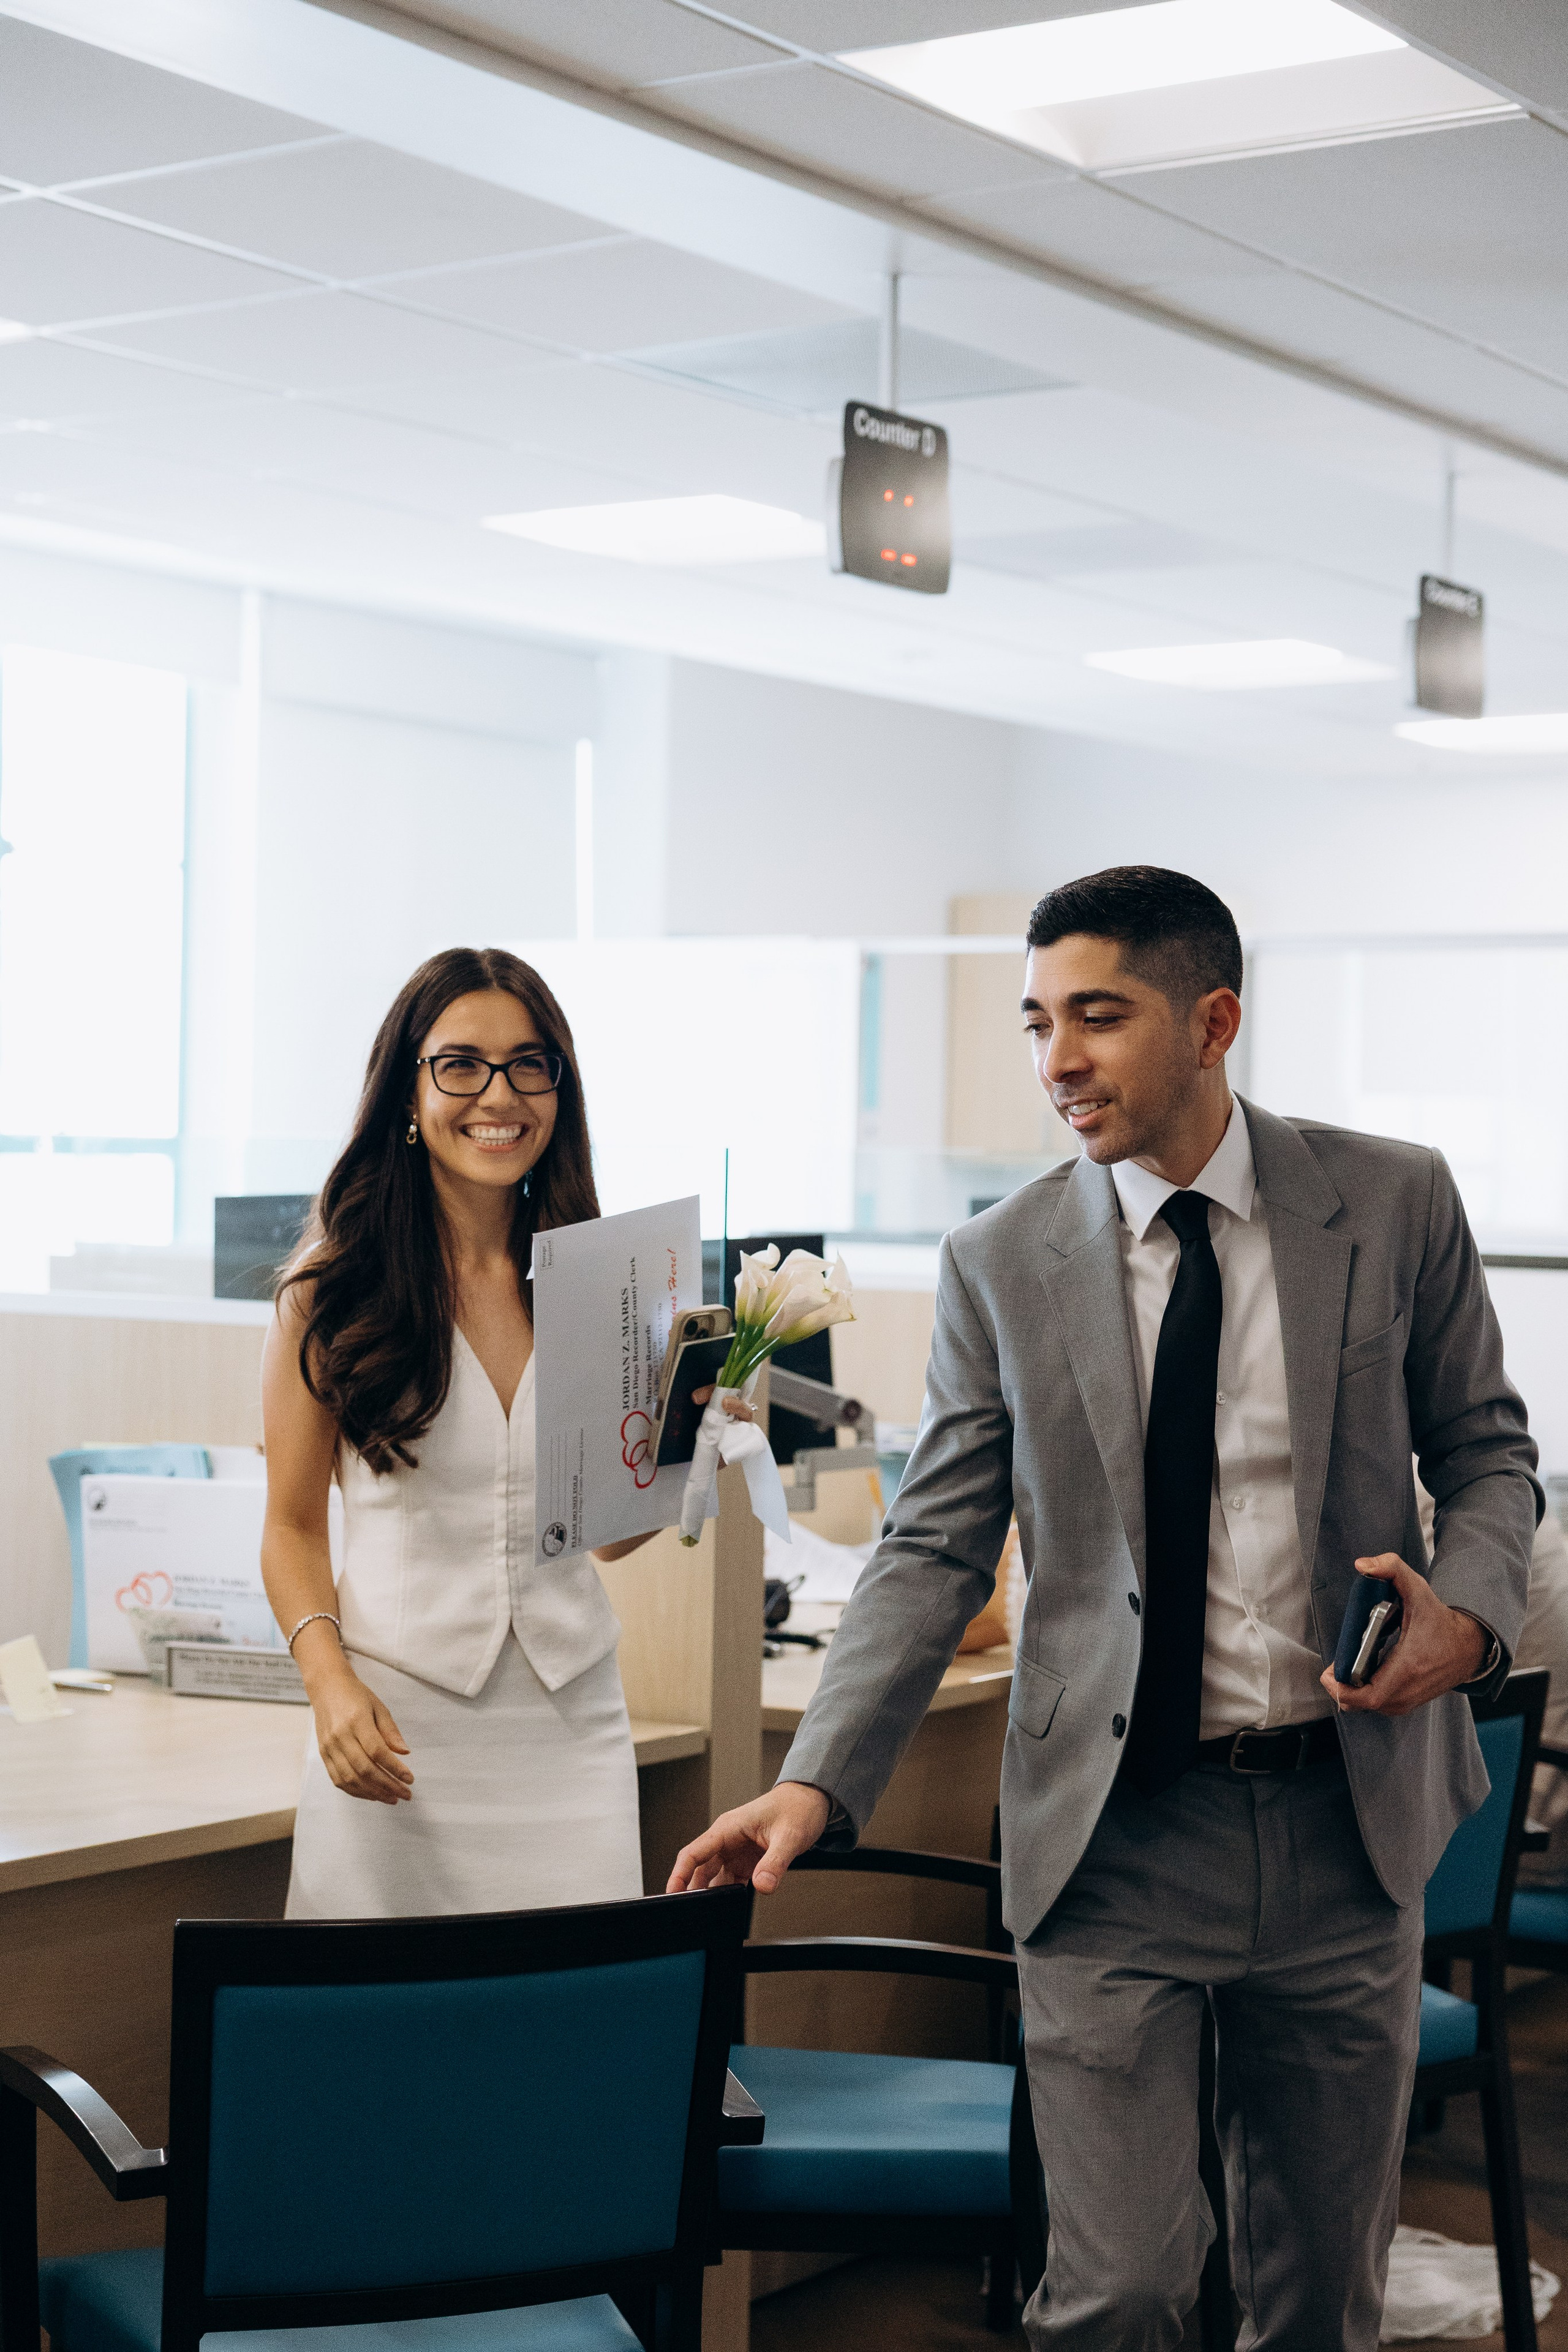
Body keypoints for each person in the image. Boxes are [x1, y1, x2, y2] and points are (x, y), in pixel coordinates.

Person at [669, 867, 1539, 2351]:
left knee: (1320, 2294)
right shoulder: (1000, 1262)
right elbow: (934, 1545)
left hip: (1344, 1823)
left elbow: (1484, 1452)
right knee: (1119, 2288)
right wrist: (816, 1777)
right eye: (1034, 1023)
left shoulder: (1391, 1200)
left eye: (1096, 1016)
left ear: (1212, 1021)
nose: (1055, 1061)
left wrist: (1467, 1617)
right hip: (1114, 1837)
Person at [262, 945, 750, 1919]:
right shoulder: (331, 1292)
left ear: (559, 1091)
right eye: (461, 1064)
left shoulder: (608, 1283)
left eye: (531, 1064)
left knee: (568, 2044)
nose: (499, 1093)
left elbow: (605, 1538)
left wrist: (684, 1446)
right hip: (394, 1727)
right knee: (384, 2042)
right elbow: (292, 1528)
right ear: (409, 1091)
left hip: (572, 1735)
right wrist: (329, 1686)